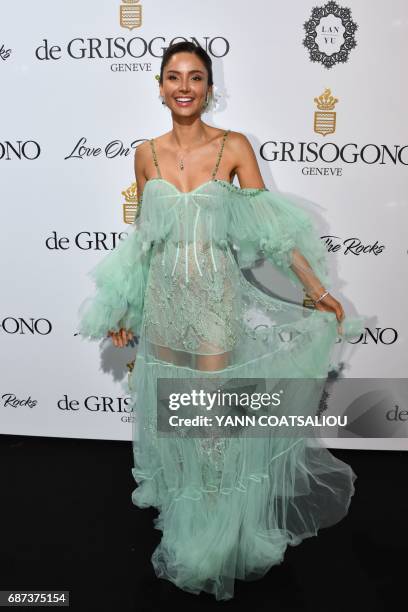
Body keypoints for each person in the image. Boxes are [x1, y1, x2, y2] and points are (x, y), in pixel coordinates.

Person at [78, 41, 364, 601]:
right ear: (159, 86)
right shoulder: (145, 154)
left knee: (211, 419)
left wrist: (317, 290)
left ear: (210, 87)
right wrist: (125, 306)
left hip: (214, 302)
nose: (184, 86)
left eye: (196, 77)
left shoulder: (232, 147)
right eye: (173, 77)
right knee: (174, 415)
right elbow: (145, 241)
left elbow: (271, 232)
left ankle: (218, 529)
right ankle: (189, 516)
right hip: (163, 302)